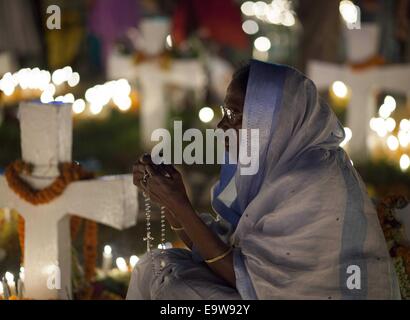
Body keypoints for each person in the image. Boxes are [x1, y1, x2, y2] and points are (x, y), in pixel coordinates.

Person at [127, 60, 400, 300]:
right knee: (153, 268)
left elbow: (245, 278)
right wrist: (170, 202)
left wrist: (180, 205)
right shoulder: (274, 163)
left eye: (234, 115)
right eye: (224, 113)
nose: (222, 126)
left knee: (173, 289)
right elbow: (228, 251)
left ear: (272, 121)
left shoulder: (312, 178)